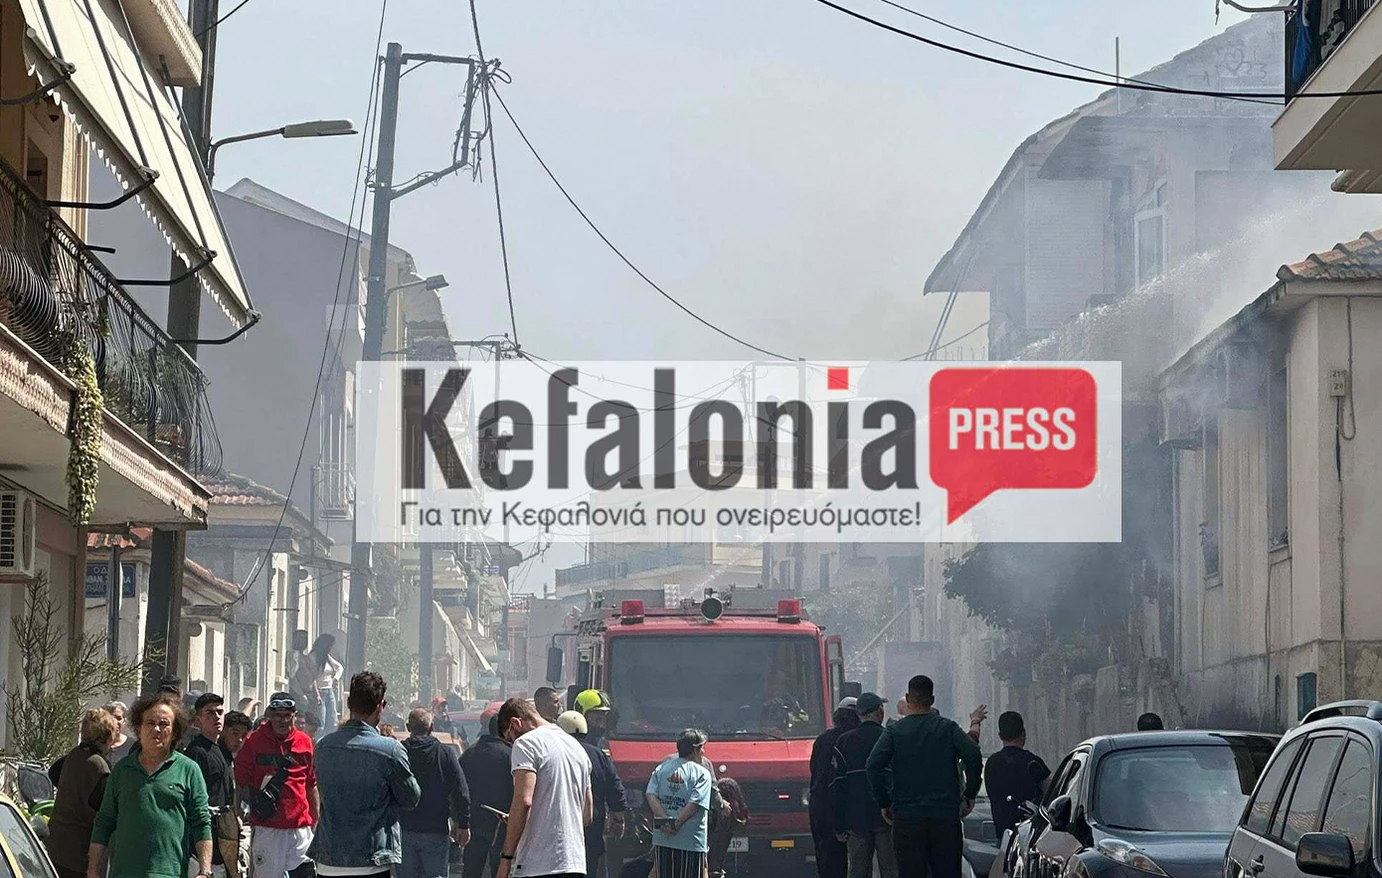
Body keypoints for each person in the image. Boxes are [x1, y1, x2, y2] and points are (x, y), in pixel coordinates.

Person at [865, 676, 981, 878]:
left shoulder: (894, 732)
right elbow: (973, 755)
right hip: (944, 817)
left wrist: (884, 801)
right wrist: (970, 794)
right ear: (932, 699)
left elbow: (873, 765)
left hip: (907, 818)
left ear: (908, 698)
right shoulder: (947, 728)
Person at [88, 692, 213, 878]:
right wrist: (92, 869)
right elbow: (104, 821)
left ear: (174, 732)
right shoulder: (122, 770)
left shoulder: (189, 770)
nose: (156, 729)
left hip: (170, 874)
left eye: (164, 724)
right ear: (138, 729)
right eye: (150, 723)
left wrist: (205, 871)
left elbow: (201, 822)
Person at [311, 671, 422, 878]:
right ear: (381, 705)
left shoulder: (323, 747)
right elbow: (411, 798)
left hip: (329, 860)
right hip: (372, 861)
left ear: (349, 703)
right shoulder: (390, 750)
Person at [494, 697, 592, 878]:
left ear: (515, 723)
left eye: (510, 738)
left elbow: (524, 801)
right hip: (575, 863)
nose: (512, 743)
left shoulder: (526, 744)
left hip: (538, 864)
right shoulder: (576, 747)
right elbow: (587, 814)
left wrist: (506, 858)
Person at [234, 692, 319, 878]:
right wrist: (237, 817)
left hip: (300, 828)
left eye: (287, 715)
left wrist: (315, 819)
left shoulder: (305, 742)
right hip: (267, 828)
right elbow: (240, 783)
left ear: (294, 715)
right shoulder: (253, 742)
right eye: (277, 715)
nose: (282, 720)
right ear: (270, 716)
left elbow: (311, 783)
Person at [46, 708, 118, 878]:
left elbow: (53, 772)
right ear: (109, 738)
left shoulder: (75, 754)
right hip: (77, 853)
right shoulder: (99, 766)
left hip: (56, 845)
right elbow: (107, 810)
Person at [400, 708, 471, 878]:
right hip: (436, 830)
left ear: (408, 727)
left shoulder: (400, 752)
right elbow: (460, 790)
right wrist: (463, 823)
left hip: (405, 829)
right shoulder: (444, 753)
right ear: (431, 728)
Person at [831, 694, 897, 878]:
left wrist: (839, 824)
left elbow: (838, 786)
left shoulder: (844, 742)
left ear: (859, 715)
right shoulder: (890, 738)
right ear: (879, 712)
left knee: (858, 871)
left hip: (856, 818)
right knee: (891, 870)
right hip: (887, 817)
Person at [557, 710, 627, 878]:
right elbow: (615, 788)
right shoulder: (598, 755)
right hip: (591, 825)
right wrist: (618, 819)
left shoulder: (553, 752)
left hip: (559, 824)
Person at [646, 729, 714, 878]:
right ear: (695, 749)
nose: (703, 752)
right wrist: (676, 824)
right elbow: (695, 803)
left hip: (663, 840)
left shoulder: (661, 769)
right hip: (691, 842)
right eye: (702, 748)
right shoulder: (702, 773)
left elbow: (651, 795)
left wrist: (665, 819)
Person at [185, 693, 235, 878]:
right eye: (209, 713)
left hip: (222, 835)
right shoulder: (197, 752)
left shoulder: (221, 750)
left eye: (220, 712)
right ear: (198, 719)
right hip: (203, 838)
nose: (216, 717)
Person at [810, 699, 859, 878]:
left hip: (821, 807)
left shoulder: (822, 740)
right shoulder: (854, 740)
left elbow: (815, 770)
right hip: (849, 809)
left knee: (827, 861)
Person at [459, 713, 513, 878]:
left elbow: (458, 790)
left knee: (472, 869)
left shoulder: (469, 753)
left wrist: (459, 819)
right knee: (500, 867)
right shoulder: (511, 755)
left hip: (474, 822)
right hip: (503, 823)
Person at [984, 712, 1051, 840]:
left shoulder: (992, 763)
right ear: (1023, 734)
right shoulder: (1033, 762)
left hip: (1003, 836)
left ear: (1000, 736)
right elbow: (1051, 792)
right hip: (1031, 835)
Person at [219, 711, 254, 878]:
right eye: (234, 733)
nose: (239, 740)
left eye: (243, 736)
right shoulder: (218, 758)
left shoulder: (234, 759)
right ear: (223, 730)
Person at [302, 635, 344, 732]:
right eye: (329, 646)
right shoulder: (312, 658)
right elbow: (312, 678)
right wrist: (317, 694)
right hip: (320, 692)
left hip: (329, 691)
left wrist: (335, 678)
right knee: (321, 722)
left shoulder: (327, 657)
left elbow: (339, 667)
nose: (330, 649)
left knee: (333, 721)